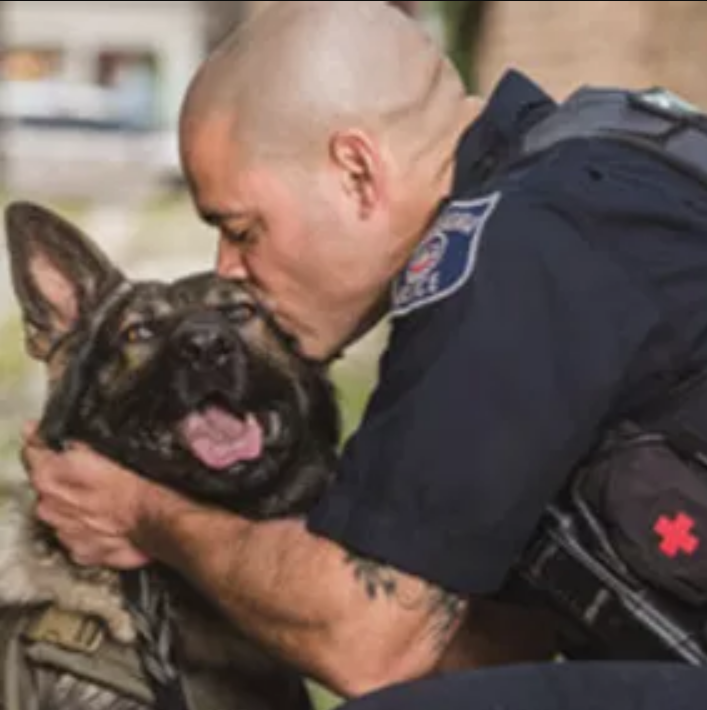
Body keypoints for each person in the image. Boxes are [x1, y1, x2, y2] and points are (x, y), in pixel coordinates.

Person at [20, 0, 707, 704]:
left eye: (242, 229)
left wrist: (141, 513)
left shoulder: (510, 247)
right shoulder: (607, 163)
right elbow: (492, 646)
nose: (227, 270)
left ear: (355, 171)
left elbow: (363, 642)